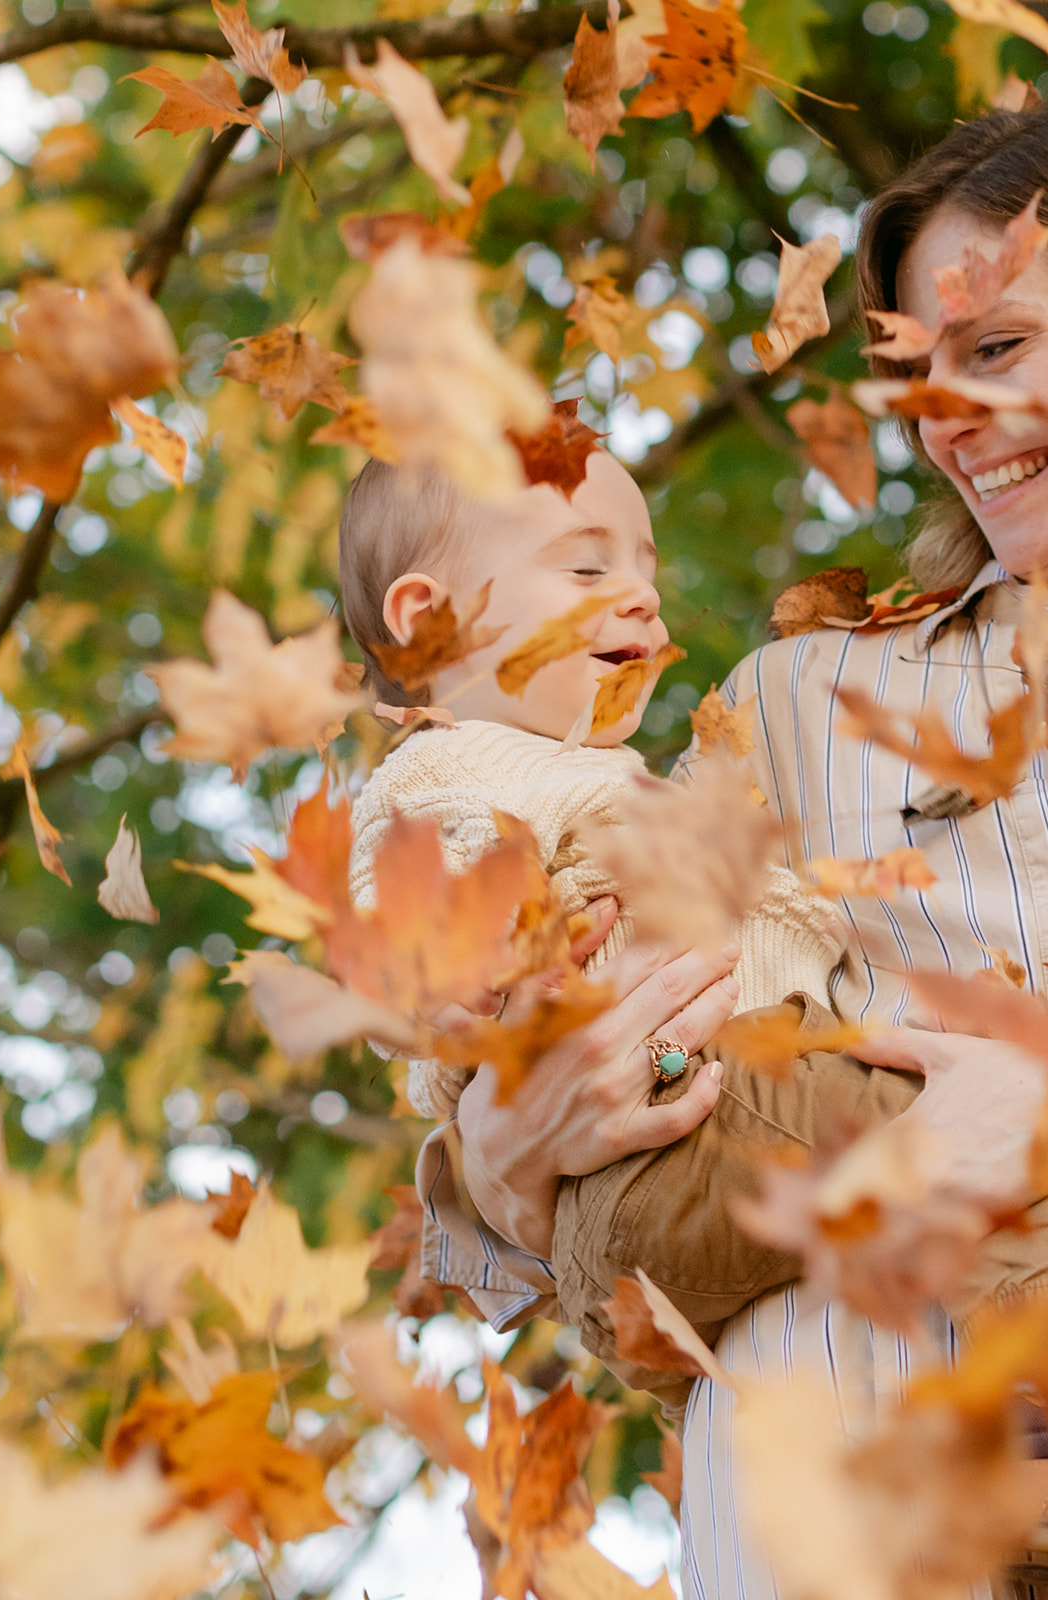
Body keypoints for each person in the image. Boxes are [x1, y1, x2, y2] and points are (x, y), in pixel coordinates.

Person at [398, 101, 1048, 1600]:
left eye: (997, 347)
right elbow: (599, 986)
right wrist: (493, 1168)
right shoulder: (808, 703)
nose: (947, 412)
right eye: (918, 372)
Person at [339, 439, 1048, 1423]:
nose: (639, 596)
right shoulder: (463, 775)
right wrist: (488, 1116)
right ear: (425, 621)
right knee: (941, 1129)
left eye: (645, 567)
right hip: (701, 1120)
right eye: (588, 567)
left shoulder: (584, 782)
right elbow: (418, 951)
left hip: (686, 1193)